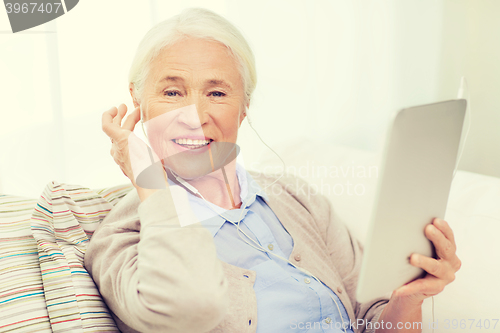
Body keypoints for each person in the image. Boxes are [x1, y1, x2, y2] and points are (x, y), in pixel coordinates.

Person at [84, 7, 461, 333]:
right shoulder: (122, 236)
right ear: (138, 101)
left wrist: (411, 297)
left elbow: (373, 318)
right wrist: (152, 183)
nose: (195, 117)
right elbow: (190, 304)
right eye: (172, 92)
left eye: (217, 93)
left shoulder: (294, 197)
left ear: (244, 106)